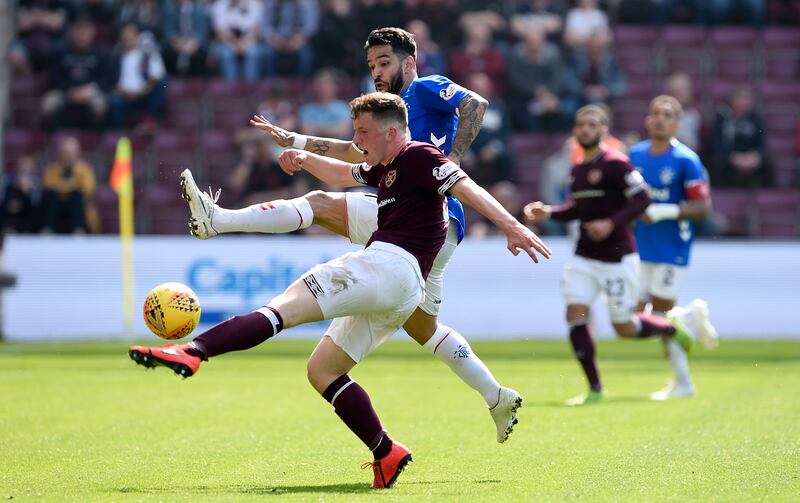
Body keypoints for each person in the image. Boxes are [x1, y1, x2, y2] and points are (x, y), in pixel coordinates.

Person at [130, 92, 552, 489]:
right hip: (403, 290)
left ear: (391, 131)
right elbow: (341, 173)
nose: (356, 140)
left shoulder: (418, 155)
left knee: (283, 308)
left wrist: (512, 227)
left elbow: (466, 187)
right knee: (323, 371)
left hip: (386, 265)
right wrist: (303, 157)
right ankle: (386, 452)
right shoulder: (385, 166)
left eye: (362, 132)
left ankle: (194, 351)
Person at [178, 27, 529, 443]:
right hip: (434, 237)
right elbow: (353, 153)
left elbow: (475, 102)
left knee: (321, 206)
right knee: (422, 327)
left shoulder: (426, 90)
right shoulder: (387, 119)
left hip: (420, 213)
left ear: (409, 63)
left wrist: (450, 159)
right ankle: (497, 396)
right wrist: (299, 141)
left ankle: (218, 221)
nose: (377, 73)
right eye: (371, 66)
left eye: (384, 63)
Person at [523, 105, 712, 406]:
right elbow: (577, 210)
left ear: (604, 131)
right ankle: (595, 388)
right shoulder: (577, 169)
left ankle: (671, 327)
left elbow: (643, 199)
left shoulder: (617, 163)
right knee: (575, 313)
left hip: (619, 257)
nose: (585, 129)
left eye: (592, 125)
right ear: (575, 131)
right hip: (585, 257)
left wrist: (611, 223)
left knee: (624, 326)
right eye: (580, 124)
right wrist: (547, 212)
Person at [630, 95, 719, 400]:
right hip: (640, 246)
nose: (660, 119)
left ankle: (683, 382)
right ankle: (691, 315)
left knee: (663, 315)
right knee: (636, 316)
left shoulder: (686, 160)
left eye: (668, 115)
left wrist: (663, 210)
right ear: (647, 120)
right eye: (655, 113)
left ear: (677, 124)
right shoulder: (635, 155)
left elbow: (703, 207)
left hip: (672, 249)